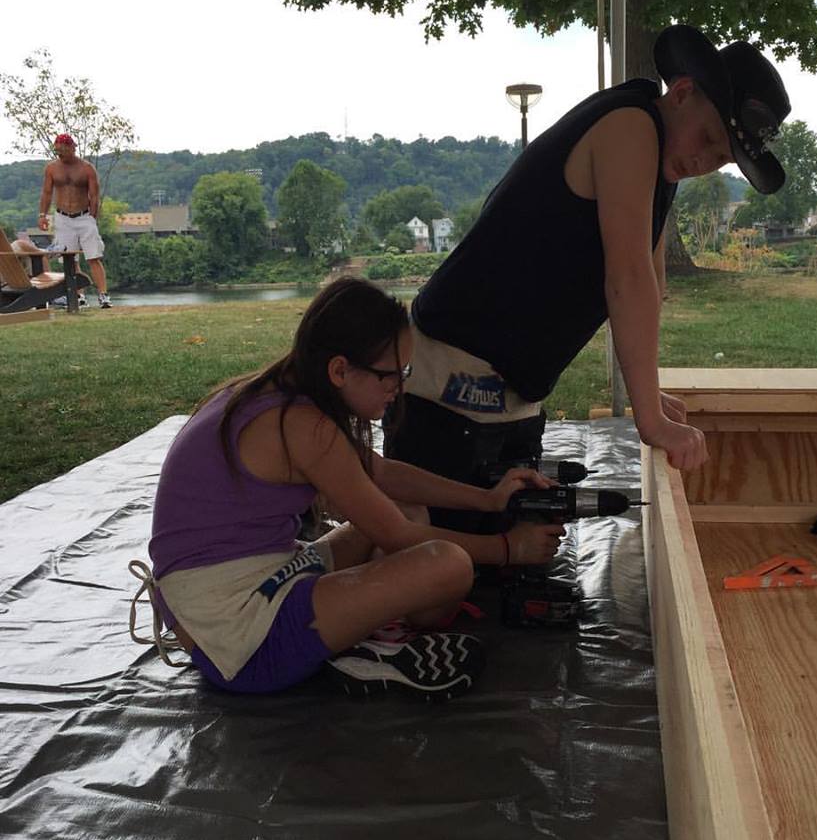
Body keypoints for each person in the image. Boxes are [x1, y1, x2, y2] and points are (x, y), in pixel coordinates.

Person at [384, 24, 792, 530]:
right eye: (709, 139)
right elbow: (627, 280)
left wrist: (647, 390)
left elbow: (651, 282)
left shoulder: (662, 163)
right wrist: (651, 420)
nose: (703, 162)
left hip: (513, 390)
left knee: (503, 557)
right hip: (454, 375)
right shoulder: (630, 127)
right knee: (435, 563)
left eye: (721, 159)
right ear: (683, 92)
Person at [131, 277, 564, 699]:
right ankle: (370, 651)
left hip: (246, 586)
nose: (399, 389)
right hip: (242, 636)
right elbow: (394, 535)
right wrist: (510, 548)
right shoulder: (304, 425)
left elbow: (379, 472)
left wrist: (485, 499)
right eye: (389, 377)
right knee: (448, 565)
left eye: (404, 373)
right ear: (340, 369)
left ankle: (362, 630)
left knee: (411, 512)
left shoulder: (279, 394)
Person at [37, 134, 112, 308]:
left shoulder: (87, 169)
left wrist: (93, 216)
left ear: (72, 148)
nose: (60, 154)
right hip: (63, 217)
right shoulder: (51, 169)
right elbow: (47, 193)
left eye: (63, 150)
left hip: (84, 216)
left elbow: (94, 195)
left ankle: (103, 295)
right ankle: (79, 296)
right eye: (57, 151)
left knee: (93, 256)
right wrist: (42, 215)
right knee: (70, 259)